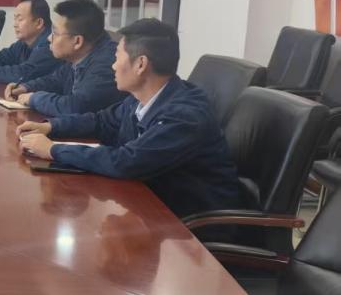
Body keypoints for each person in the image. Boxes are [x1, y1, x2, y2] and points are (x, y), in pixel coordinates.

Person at [17, 18, 241, 217]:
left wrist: (52, 150)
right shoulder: (141, 98)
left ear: (141, 64)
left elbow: (127, 161)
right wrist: (51, 127)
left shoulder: (184, 116)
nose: (113, 65)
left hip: (194, 225)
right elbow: (102, 121)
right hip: (153, 205)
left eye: (117, 57)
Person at [3, 0, 126, 116]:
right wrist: (26, 87)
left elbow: (76, 107)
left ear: (77, 41)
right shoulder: (81, 54)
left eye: (55, 33)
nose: (48, 38)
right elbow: (56, 80)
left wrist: (34, 98)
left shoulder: (106, 65)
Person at [0, 0, 62, 83]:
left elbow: (24, 74)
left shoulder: (49, 45)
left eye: (20, 19)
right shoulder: (25, 42)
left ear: (39, 23)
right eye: (15, 19)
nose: (15, 25)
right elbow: (3, 56)